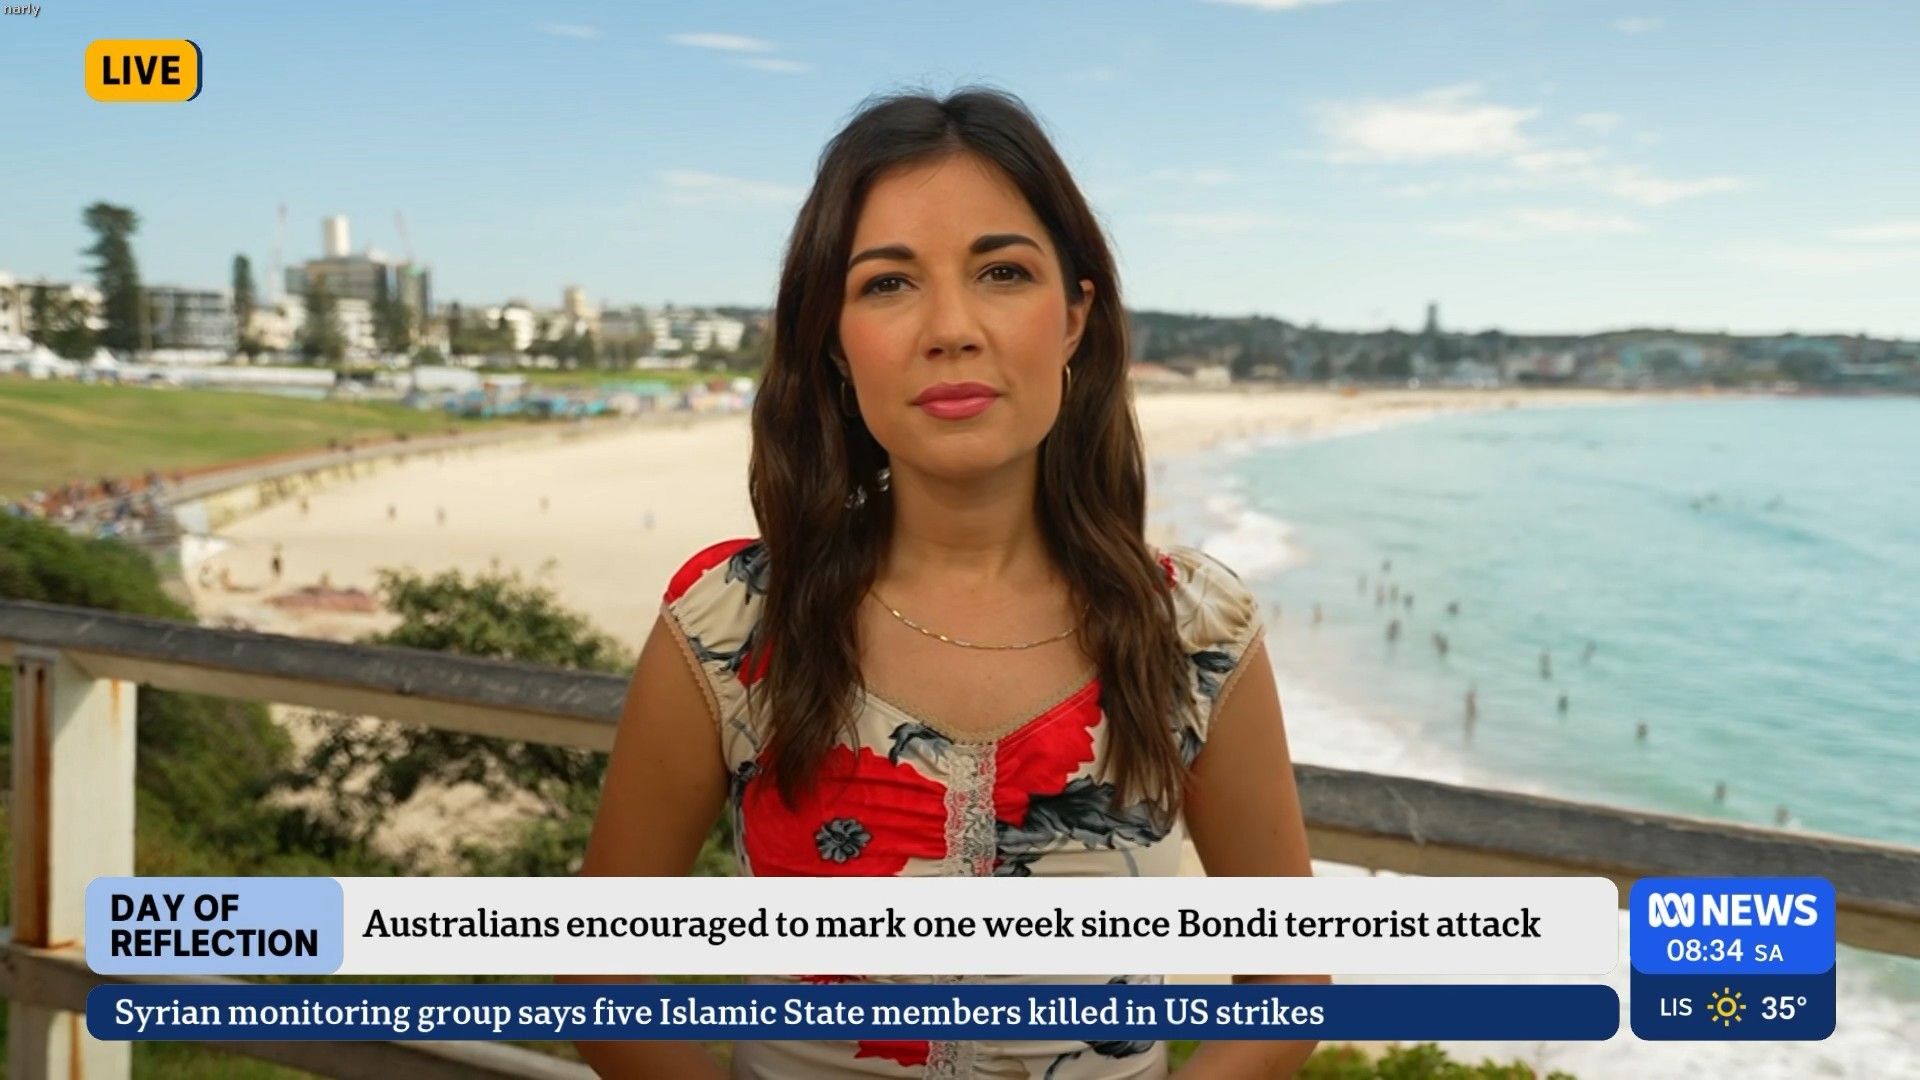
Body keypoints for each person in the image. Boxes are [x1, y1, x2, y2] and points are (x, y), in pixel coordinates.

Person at [563, 88, 1320, 1079]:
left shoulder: (1192, 632)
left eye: (1003, 272)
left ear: (1075, 317)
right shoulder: (732, 625)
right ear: (833, 342)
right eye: (888, 284)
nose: (951, 328)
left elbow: (1288, 985)